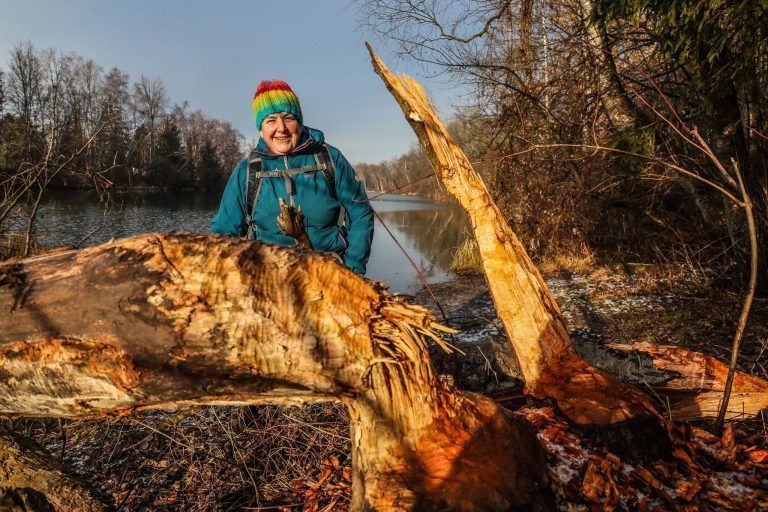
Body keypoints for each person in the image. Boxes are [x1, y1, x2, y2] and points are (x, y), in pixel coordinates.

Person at [211, 80, 374, 275]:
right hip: (270, 277)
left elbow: (361, 213)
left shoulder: (329, 158)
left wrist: (351, 270)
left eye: (288, 118)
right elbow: (224, 233)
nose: (281, 128)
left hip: (329, 271)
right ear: (261, 130)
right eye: (270, 120)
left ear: (299, 121)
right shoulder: (248, 170)